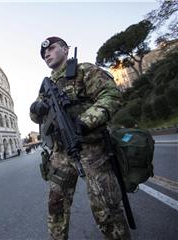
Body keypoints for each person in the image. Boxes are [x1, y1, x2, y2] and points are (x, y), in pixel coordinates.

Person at [29, 36, 131, 240]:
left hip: (92, 149)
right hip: (60, 154)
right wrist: (35, 109)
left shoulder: (85, 71)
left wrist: (85, 121)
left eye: (51, 49)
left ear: (66, 50)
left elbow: (111, 95)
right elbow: (35, 117)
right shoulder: (47, 87)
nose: (46, 54)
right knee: (56, 206)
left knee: (106, 208)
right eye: (43, 54)